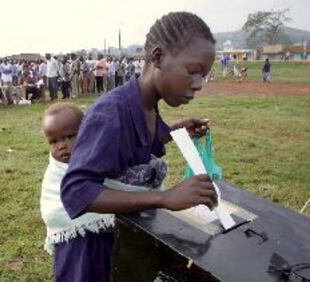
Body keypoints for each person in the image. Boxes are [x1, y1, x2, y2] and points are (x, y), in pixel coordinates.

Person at [60, 12, 217, 282]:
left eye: (204, 75)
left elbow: (133, 145)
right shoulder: (110, 113)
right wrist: (163, 198)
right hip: (94, 250)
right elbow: (76, 191)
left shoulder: (146, 103)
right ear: (157, 58)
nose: (199, 84)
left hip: (122, 234)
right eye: (192, 71)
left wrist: (174, 131)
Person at [41, 102, 166, 282]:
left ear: (87, 132)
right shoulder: (57, 174)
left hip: (105, 241)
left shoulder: (100, 158)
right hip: (76, 246)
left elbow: (127, 173)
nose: (61, 146)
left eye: (69, 136)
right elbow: (55, 211)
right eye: (53, 141)